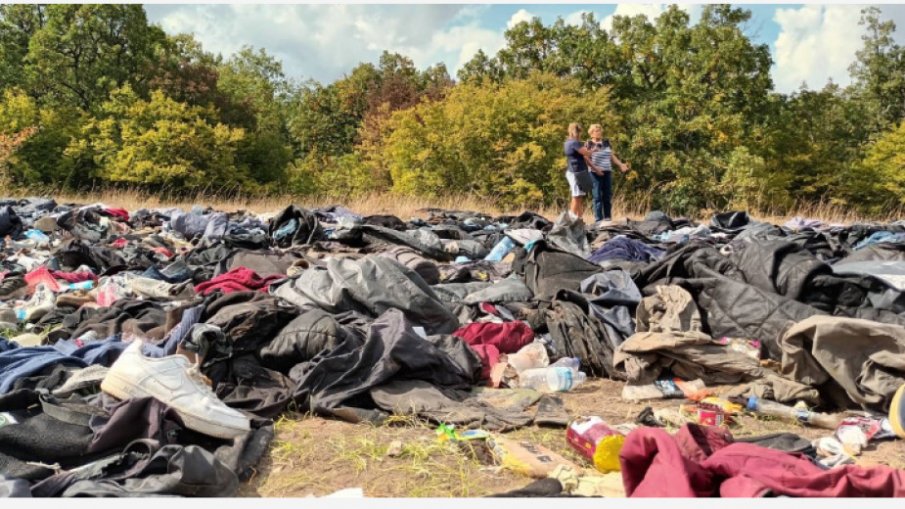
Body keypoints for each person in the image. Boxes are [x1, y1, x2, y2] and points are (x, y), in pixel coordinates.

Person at [585, 124, 629, 223]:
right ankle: (599, 221)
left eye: (600, 130)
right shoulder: (589, 143)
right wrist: (596, 170)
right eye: (596, 131)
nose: (599, 132)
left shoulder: (606, 142)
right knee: (597, 197)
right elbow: (586, 158)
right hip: (594, 173)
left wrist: (621, 165)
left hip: (607, 172)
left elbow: (611, 156)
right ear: (591, 133)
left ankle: (608, 219)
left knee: (607, 196)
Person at [563, 122, 596, 217]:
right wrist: (593, 149)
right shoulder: (574, 143)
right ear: (577, 132)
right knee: (576, 196)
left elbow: (580, 152)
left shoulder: (568, 142)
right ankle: (571, 220)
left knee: (579, 196)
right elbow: (587, 153)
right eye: (580, 132)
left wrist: (585, 147)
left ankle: (579, 219)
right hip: (576, 172)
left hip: (575, 171)